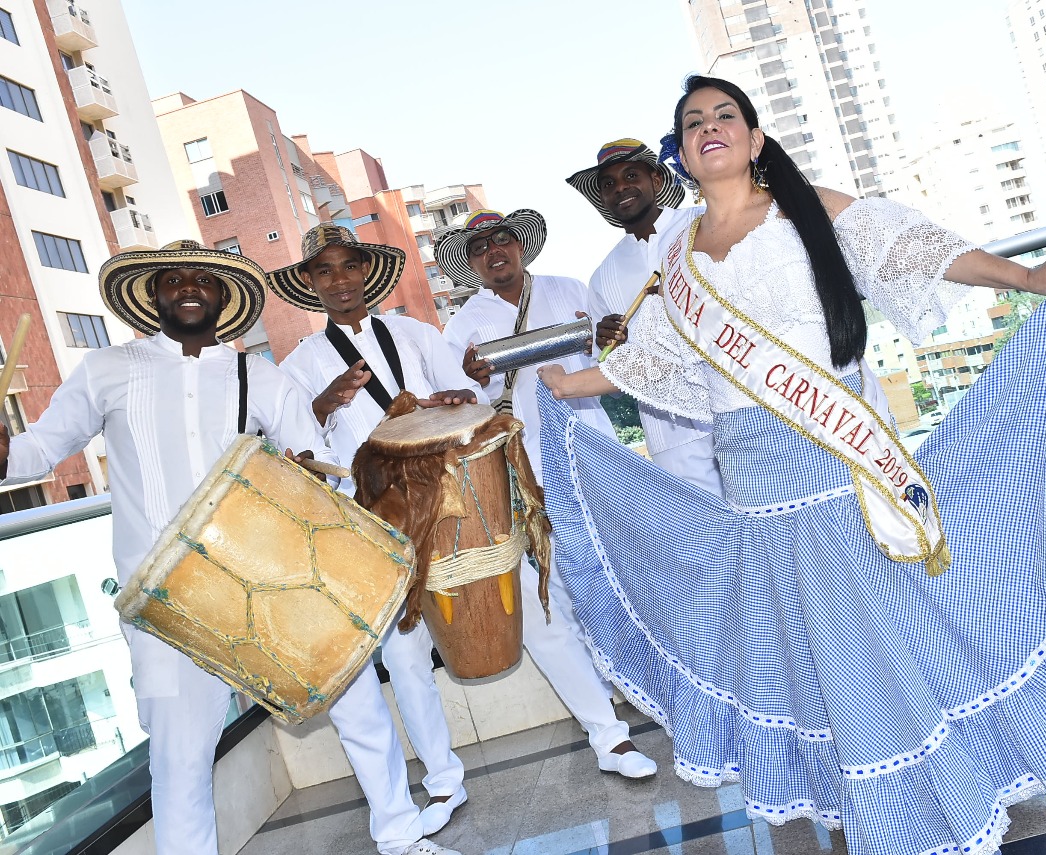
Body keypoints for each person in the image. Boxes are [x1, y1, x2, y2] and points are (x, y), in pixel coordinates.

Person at [536, 76, 1046, 855]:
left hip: (836, 471)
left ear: (754, 139)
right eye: (694, 121)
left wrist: (1023, 277)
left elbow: (923, 249)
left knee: (875, 648)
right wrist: (570, 384)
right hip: (755, 497)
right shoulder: (680, 255)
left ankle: (916, 811)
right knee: (815, 667)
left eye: (725, 115)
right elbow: (658, 355)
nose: (710, 127)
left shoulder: (804, 210)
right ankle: (863, 810)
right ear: (685, 154)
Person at [0, 242, 460, 855]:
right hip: (166, 600)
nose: (189, 287)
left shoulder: (260, 375)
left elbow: (310, 459)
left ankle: (402, 837)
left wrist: (302, 469)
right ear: (151, 294)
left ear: (223, 296)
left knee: (357, 707)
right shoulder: (107, 370)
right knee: (180, 757)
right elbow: (36, 452)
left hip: (272, 580)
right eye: (173, 279)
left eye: (203, 279)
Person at [267, 224, 478, 834]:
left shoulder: (414, 332)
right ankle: (437, 783)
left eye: (348, 266)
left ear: (367, 271)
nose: (339, 280)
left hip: (435, 500)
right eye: (324, 271)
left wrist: (448, 399)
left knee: (435, 638)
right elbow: (293, 448)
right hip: (362, 520)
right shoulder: (300, 363)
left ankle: (443, 779)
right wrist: (323, 403)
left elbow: (461, 396)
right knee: (402, 648)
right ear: (310, 283)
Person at [435, 210, 658, 779]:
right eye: (479, 247)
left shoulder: (567, 290)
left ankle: (665, 698)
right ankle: (607, 736)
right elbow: (457, 407)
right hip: (518, 477)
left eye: (500, 239)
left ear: (520, 245)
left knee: (624, 580)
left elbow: (614, 360)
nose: (492, 252)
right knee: (547, 603)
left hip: (593, 459)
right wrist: (471, 380)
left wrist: (610, 337)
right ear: (473, 262)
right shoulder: (462, 327)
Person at [566, 138, 723, 496]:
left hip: (735, 405)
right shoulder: (603, 275)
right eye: (608, 184)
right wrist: (608, 343)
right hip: (670, 435)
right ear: (601, 200)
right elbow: (608, 366)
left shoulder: (700, 224)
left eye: (631, 175)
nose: (620, 188)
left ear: (655, 180)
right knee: (712, 543)